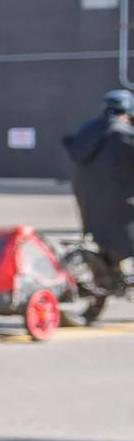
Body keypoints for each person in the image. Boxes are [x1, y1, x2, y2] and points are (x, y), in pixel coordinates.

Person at [63, 87, 134, 292]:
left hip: (88, 201)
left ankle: (112, 273)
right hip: (121, 204)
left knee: (107, 235)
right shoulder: (125, 135)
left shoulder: (89, 130)